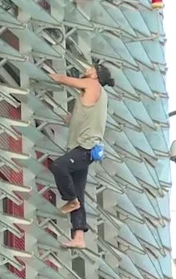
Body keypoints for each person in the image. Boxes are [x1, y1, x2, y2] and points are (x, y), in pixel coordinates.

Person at [48, 64, 114, 249]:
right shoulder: (99, 94)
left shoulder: (93, 85)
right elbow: (87, 114)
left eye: (91, 67)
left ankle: (70, 200)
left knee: (59, 167)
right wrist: (71, 118)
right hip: (85, 149)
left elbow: (66, 80)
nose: (87, 68)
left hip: (84, 148)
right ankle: (79, 237)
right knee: (79, 193)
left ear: (96, 74)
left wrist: (52, 74)